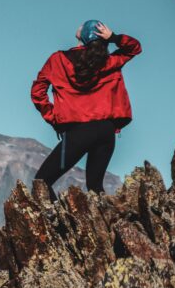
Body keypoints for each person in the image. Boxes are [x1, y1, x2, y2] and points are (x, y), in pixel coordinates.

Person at [30, 19, 141, 198]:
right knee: (95, 187)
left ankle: (59, 225)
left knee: (41, 183)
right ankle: (105, 225)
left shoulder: (58, 60)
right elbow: (135, 47)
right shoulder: (110, 61)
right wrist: (114, 37)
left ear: (82, 35)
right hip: (106, 131)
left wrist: (54, 118)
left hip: (78, 132)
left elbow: (37, 91)